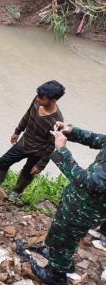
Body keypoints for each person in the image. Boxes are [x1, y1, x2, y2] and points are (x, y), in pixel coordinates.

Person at [31, 122, 106, 284]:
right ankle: (62, 262)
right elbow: (97, 139)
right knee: (62, 232)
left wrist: (62, 149)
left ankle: (55, 276)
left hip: (86, 210)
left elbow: (86, 181)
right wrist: (72, 132)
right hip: (77, 201)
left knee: (65, 237)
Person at [0, 81, 65, 201]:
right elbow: (27, 115)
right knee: (4, 161)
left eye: (41, 98)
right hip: (24, 143)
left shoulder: (57, 121)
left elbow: (51, 145)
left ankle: (17, 192)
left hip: (38, 151)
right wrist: (17, 131)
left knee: (28, 172)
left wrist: (41, 165)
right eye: (37, 96)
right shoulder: (37, 102)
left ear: (53, 100)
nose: (38, 99)